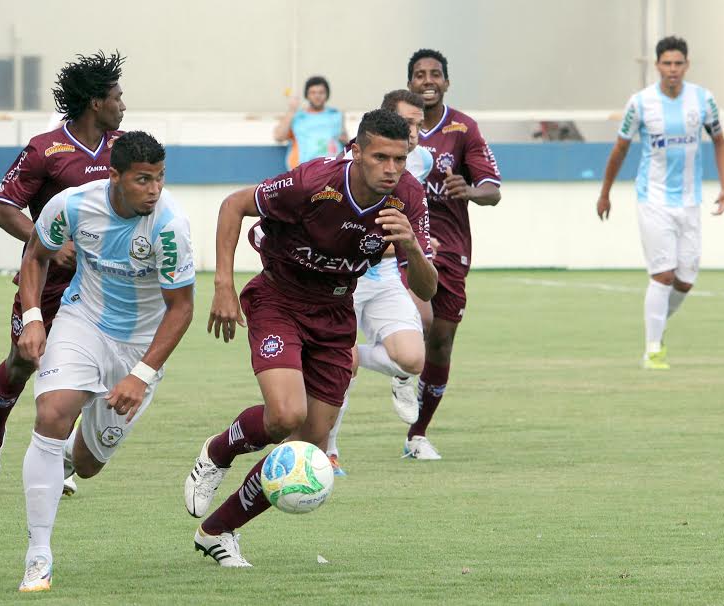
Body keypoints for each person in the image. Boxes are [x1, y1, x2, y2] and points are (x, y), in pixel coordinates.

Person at [184, 109, 437, 567]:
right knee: (286, 415)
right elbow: (234, 205)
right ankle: (218, 452)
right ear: (356, 151)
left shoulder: (409, 199)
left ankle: (217, 531)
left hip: (336, 313)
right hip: (278, 299)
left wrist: (412, 248)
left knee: (309, 444)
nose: (391, 169)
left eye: (400, 159)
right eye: (380, 157)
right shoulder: (313, 182)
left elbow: (426, 289)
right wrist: (223, 285)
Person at [16, 130, 195, 592]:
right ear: (114, 176)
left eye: (159, 178)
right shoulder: (73, 205)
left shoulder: (169, 225)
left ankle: (66, 461)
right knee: (52, 411)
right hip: (83, 323)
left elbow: (181, 309)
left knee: (89, 462)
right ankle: (39, 555)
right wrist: (33, 318)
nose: (154, 190)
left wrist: (141, 375)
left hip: (140, 348)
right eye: (143, 179)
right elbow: (36, 255)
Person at [0, 51, 126, 494]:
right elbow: (5, 210)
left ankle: (55, 458)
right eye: (117, 97)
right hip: (47, 281)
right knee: (23, 361)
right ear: (95, 103)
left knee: (83, 370)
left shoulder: (124, 147)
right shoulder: (45, 150)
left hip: (100, 287)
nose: (122, 105)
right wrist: (50, 244)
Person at [597, 36, 724, 370]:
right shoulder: (641, 103)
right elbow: (620, 149)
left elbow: (719, 141)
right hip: (653, 199)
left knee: (685, 280)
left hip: (690, 201)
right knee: (664, 275)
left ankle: (656, 325)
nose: (673, 69)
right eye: (667, 63)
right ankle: (653, 348)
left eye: (678, 63)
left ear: (687, 65)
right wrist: (605, 192)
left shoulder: (703, 100)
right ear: (657, 66)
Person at [325, 89, 434, 475]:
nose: (415, 132)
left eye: (419, 125)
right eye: (408, 124)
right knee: (343, 366)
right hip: (341, 279)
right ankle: (329, 450)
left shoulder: (421, 164)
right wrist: (391, 244)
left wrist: (412, 244)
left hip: (384, 277)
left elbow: (408, 231)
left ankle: (372, 364)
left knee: (413, 358)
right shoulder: (342, 168)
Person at [405, 48, 502, 460]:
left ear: (446, 82)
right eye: (420, 74)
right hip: (401, 246)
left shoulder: (463, 128)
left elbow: (493, 191)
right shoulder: (394, 124)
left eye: (435, 74)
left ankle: (417, 434)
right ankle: (397, 371)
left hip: (451, 251)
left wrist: (470, 189)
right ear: (409, 83)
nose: (428, 81)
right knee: (412, 327)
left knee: (441, 343)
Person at [273, 75, 348, 170]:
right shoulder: (297, 117)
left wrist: (345, 140)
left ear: (327, 95)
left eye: (321, 92)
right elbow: (279, 137)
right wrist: (291, 110)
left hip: (332, 170)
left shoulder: (336, 115)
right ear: (307, 95)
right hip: (304, 171)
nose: (317, 96)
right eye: (313, 92)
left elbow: (345, 140)